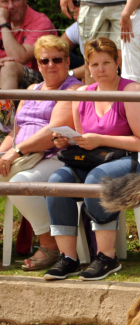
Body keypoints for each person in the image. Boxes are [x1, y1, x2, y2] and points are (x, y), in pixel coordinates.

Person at [44, 37, 140, 281]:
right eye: (94, 64)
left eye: (106, 63)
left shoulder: (132, 91)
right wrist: (67, 141)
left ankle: (107, 257)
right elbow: (84, 139)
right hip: (97, 158)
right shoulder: (82, 94)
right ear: (87, 67)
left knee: (97, 179)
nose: (100, 70)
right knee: (57, 181)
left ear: (117, 62)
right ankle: (68, 257)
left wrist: (99, 139)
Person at [0, 35, 81, 271]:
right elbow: (13, 133)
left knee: (18, 184)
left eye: (57, 59)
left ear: (67, 62)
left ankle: (49, 244)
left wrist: (14, 153)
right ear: (37, 64)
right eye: (44, 61)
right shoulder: (31, 89)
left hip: (57, 156)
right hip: (23, 156)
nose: (50, 65)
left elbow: (51, 132)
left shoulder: (73, 89)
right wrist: (4, 154)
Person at [59, 0, 125, 85]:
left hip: (123, 4)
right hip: (91, 4)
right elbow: (58, 47)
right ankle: (91, 98)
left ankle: (128, 97)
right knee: (91, 60)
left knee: (125, 60)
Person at [0, 0, 56, 90]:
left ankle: (4, 104)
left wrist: (3, 24)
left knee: (9, 67)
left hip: (41, 80)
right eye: (5, 1)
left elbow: (19, 58)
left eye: (15, 0)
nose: (10, 6)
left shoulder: (41, 22)